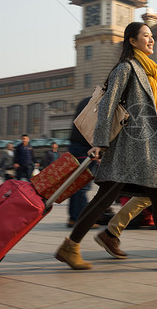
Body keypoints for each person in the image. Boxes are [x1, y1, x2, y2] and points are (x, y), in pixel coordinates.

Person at [55, 22, 157, 271]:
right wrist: (100, 142)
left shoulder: (151, 73)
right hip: (127, 148)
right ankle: (69, 247)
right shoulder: (126, 67)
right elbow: (108, 105)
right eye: (146, 36)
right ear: (132, 41)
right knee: (104, 198)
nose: (151, 40)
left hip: (146, 148)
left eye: (152, 36)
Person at [66, 96, 99, 229]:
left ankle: (73, 218)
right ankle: (82, 218)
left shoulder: (85, 101)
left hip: (76, 144)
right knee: (82, 184)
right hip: (85, 147)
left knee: (75, 183)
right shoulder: (99, 103)